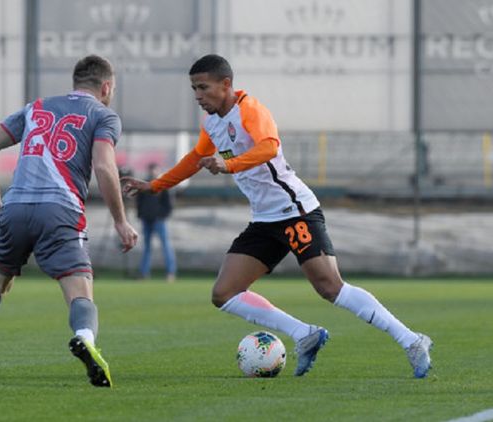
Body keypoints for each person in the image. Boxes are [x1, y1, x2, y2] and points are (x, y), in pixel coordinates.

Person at [121, 54, 433, 378]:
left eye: (203, 87)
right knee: (224, 293)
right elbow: (196, 157)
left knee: (329, 287)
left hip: (295, 211)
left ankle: (411, 340)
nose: (198, 96)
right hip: (264, 220)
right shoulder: (212, 123)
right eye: (194, 89)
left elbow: (269, 147)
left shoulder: (251, 110)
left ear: (226, 84)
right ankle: (304, 334)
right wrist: (155, 185)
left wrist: (229, 164)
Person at [0, 55, 138, 387]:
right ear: (106, 87)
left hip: (15, 207)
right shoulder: (103, 115)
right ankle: (85, 339)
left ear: (76, 81)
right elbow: (104, 166)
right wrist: (120, 220)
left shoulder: (35, 107)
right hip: (60, 209)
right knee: (79, 290)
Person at [136, 163, 177, 282]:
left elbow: (168, 204)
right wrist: (141, 214)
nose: (152, 172)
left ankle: (170, 272)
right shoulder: (144, 185)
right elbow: (139, 202)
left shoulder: (163, 184)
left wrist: (162, 215)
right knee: (147, 247)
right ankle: (144, 273)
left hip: (159, 220)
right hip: (146, 219)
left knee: (165, 245)